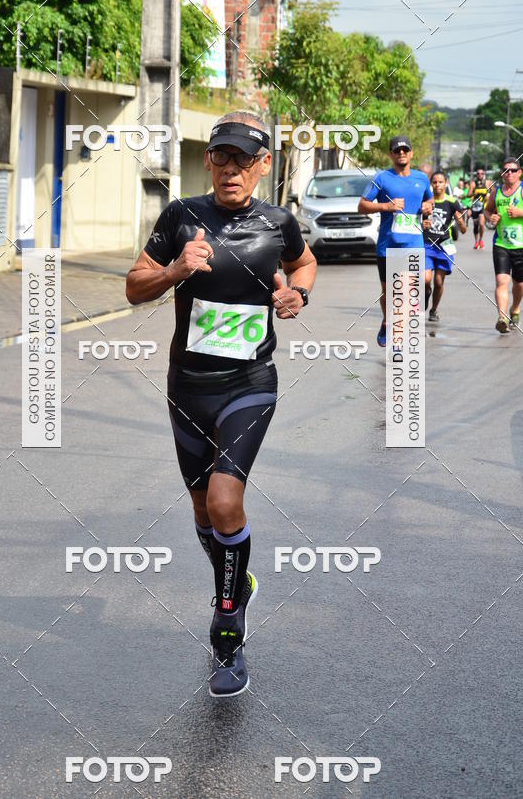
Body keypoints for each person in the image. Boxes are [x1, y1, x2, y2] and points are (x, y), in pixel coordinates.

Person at [125, 111, 316, 697]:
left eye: (244, 160)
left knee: (225, 497)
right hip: (188, 387)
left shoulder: (278, 222)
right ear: (208, 161)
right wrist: (176, 270)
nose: (232, 170)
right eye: (221, 158)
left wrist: (295, 293)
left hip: (250, 383)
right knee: (204, 514)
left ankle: (227, 631)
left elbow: (303, 261)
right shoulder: (182, 217)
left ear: (263, 167)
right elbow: (134, 286)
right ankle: (238, 580)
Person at [357, 135, 433, 347]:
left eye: (405, 150)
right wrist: (386, 206)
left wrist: (429, 207)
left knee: (405, 293)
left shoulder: (422, 178)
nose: (401, 153)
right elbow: (362, 206)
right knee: (389, 293)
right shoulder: (381, 178)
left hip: (413, 245)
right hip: (387, 246)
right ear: (390, 154)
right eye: (396, 150)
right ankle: (386, 321)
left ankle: (398, 341)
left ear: (411, 153)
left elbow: (429, 200)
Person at [484, 157, 523, 333]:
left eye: (513, 170)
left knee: (520, 284)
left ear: (519, 172)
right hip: (501, 244)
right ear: (502, 174)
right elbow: (487, 210)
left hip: (521, 246)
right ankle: (502, 318)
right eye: (506, 170)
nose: (510, 173)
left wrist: (519, 212)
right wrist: (490, 218)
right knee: (501, 280)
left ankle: (515, 308)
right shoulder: (497, 192)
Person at [424, 171, 466, 322]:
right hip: (426, 244)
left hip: (444, 245)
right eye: (434, 182)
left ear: (446, 183)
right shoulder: (426, 202)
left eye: (440, 182)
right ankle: (426, 293)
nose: (437, 185)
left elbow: (463, 230)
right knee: (426, 279)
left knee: (439, 282)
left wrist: (460, 221)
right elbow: (416, 222)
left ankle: (434, 310)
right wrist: (422, 224)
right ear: (431, 184)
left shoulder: (453, 202)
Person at [467, 167, 491, 249]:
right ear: (476, 175)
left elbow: (494, 192)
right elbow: (468, 195)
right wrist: (474, 193)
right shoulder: (473, 184)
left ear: (484, 174)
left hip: (483, 207)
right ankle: (476, 242)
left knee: (481, 224)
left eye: (481, 173)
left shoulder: (487, 183)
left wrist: (489, 196)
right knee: (475, 225)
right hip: (475, 207)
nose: (480, 175)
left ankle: (481, 240)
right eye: (478, 173)